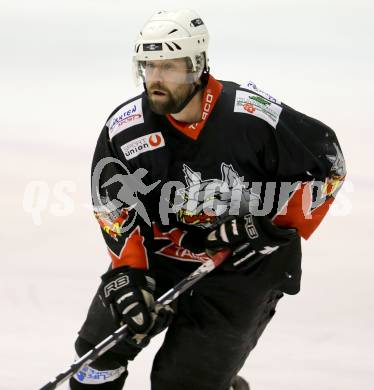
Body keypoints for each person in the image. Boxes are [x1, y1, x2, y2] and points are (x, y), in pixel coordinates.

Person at [69, 9, 346, 390]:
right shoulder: (126, 128)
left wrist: (271, 226)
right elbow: (112, 203)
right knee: (95, 359)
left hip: (244, 266)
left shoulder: (251, 115)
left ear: (198, 65)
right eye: (149, 66)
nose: (156, 79)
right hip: (162, 257)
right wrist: (128, 272)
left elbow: (328, 163)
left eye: (169, 66)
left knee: (184, 383)